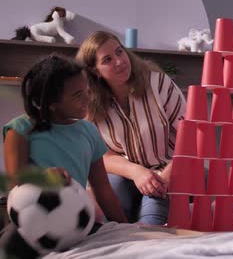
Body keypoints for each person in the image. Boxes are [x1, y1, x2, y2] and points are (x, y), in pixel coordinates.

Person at [76, 31, 186, 225]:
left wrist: (167, 176)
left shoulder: (159, 84)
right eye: (108, 59)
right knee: (108, 214)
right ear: (94, 70)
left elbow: (191, 137)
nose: (119, 61)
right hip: (126, 173)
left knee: (151, 220)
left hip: (170, 169)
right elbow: (101, 155)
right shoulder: (90, 103)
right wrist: (137, 172)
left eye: (120, 52)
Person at [3, 54, 127, 223]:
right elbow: (15, 188)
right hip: (31, 224)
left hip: (76, 222)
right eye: (78, 95)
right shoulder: (20, 130)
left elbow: (103, 190)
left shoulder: (89, 131)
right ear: (50, 103)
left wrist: (125, 229)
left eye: (87, 91)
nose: (88, 99)